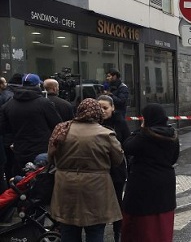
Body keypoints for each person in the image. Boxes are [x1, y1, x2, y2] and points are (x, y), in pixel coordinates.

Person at [48, 98, 124, 242]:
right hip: (97, 187)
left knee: (68, 228)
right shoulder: (106, 134)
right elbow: (118, 159)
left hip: (65, 185)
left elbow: (51, 157)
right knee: (95, 229)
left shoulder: (62, 129)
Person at [121, 104, 179, 242]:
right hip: (166, 184)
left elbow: (127, 146)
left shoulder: (145, 136)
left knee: (143, 230)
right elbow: (174, 158)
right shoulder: (172, 134)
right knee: (161, 227)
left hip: (144, 186)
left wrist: (140, 130)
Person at [0, 73, 62, 175]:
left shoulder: (8, 105)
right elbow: (58, 125)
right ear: (37, 86)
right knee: (41, 182)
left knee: (21, 183)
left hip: (19, 151)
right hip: (42, 151)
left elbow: (3, 128)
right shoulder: (44, 104)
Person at [97, 95, 130, 242]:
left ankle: (118, 232)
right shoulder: (93, 123)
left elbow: (127, 145)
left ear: (113, 108)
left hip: (116, 170)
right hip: (98, 171)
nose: (102, 111)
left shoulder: (120, 123)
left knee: (116, 202)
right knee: (99, 204)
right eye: (99, 108)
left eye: (105, 108)